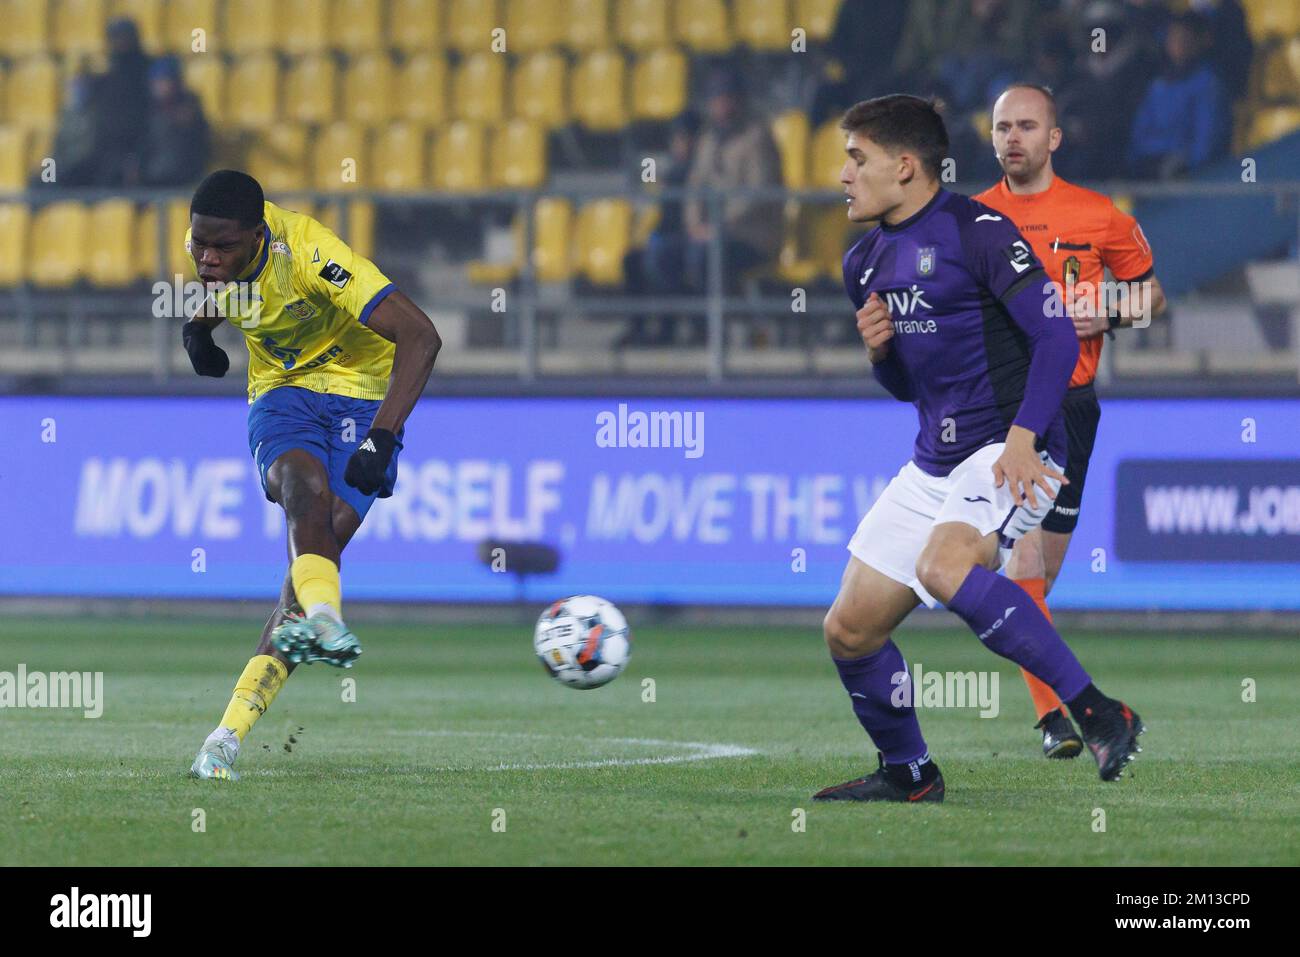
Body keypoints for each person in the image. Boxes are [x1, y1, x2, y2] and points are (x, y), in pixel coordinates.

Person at [816, 95, 1144, 803]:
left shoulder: (980, 231)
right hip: (935, 457)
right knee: (848, 629)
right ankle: (910, 773)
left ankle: (1097, 710)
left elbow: (1057, 334)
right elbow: (911, 388)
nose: (844, 174)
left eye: (856, 158)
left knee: (944, 564)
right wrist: (880, 357)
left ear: (905, 167)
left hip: (1014, 441)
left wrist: (1025, 440)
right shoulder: (864, 262)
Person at [182, 170, 441, 781]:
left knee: (303, 578)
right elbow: (236, 290)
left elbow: (422, 336)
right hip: (282, 394)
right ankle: (326, 622)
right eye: (199, 245)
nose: (207, 258)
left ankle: (225, 736)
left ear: (258, 233)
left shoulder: (314, 256)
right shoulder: (220, 250)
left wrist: (383, 435)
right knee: (302, 493)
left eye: (222, 247)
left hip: (362, 396)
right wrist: (197, 332)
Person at [975, 84, 1166, 757]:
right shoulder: (974, 220)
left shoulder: (1099, 216)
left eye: (1027, 126)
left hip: (1076, 408)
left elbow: (1154, 295)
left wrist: (1111, 313)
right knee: (1023, 556)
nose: (1014, 138)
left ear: (1054, 137)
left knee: (1039, 578)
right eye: (1003, 127)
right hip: (1009, 409)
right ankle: (1059, 718)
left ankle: (1059, 702)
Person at [682, 70, 783, 343]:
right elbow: (695, 187)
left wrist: (718, 226)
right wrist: (695, 225)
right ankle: (684, 330)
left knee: (707, 257)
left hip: (751, 235)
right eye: (717, 99)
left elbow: (757, 193)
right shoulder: (708, 138)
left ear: (740, 100)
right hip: (711, 233)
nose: (721, 105)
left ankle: (716, 334)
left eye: (727, 98)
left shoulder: (757, 137)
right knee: (662, 255)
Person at [618, 111, 699, 347]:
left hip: (689, 238)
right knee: (632, 259)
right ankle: (637, 328)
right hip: (670, 237)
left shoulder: (700, 168)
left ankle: (666, 330)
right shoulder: (673, 170)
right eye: (677, 139)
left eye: (684, 138)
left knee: (664, 256)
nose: (679, 144)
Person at [1128, 12, 1230, 179]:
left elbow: (1207, 142)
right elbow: (1140, 133)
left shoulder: (1208, 85)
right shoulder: (1158, 85)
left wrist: (1188, 165)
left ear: (1200, 41)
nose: (1178, 43)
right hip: (1152, 164)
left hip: (1188, 175)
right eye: (1173, 37)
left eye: (1184, 37)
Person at [140, 56, 211, 186]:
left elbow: (197, 139)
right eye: (156, 82)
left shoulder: (189, 104)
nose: (160, 87)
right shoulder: (148, 109)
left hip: (182, 175)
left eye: (164, 81)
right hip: (154, 176)